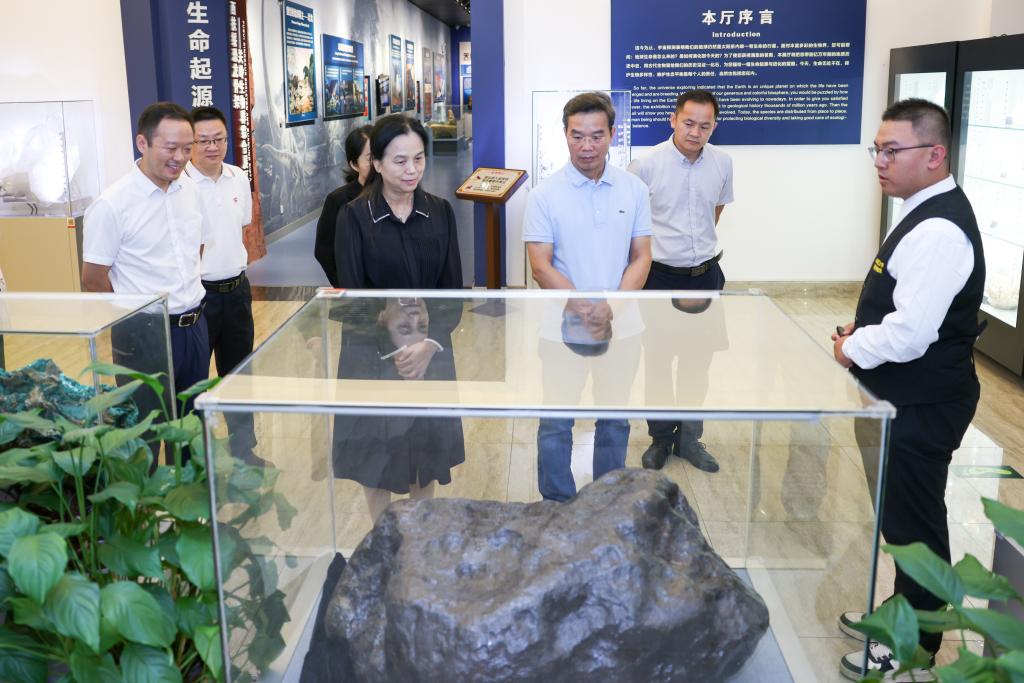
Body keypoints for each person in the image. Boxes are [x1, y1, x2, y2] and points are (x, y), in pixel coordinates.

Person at [832, 99, 985, 681]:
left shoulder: (940, 228)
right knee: (901, 520)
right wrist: (863, 329)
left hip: (922, 403)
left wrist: (852, 348)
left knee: (916, 527)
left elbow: (911, 333)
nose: (880, 161)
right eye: (877, 149)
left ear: (935, 154)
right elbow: (905, 306)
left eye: (892, 150)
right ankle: (900, 615)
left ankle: (915, 645)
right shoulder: (920, 210)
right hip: (904, 397)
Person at [332, 114, 464, 522]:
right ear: (376, 163)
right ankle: (382, 536)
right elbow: (354, 299)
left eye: (418, 159)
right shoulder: (355, 216)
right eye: (400, 160)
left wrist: (427, 344)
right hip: (372, 356)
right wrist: (396, 349)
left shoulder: (439, 212)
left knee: (425, 448)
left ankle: (419, 536)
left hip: (429, 352)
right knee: (376, 452)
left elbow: (452, 293)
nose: (411, 170)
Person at [523, 91, 652, 502]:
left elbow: (642, 256)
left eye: (596, 136)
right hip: (560, 328)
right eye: (577, 136)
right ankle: (556, 503)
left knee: (614, 418)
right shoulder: (544, 194)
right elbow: (540, 265)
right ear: (565, 134)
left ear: (612, 134)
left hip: (623, 326)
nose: (587, 146)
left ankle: (605, 502)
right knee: (556, 421)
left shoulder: (634, 190)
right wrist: (582, 306)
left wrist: (611, 307)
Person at [82, 102, 211, 430]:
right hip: (143, 334)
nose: (180, 157)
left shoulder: (191, 190)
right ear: (142, 143)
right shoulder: (112, 204)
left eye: (187, 148)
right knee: (145, 432)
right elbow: (93, 279)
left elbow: (195, 249)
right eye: (170, 147)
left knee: (192, 429)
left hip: (195, 326)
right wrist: (133, 317)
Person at [627, 89, 734, 473]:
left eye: (705, 126)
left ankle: (689, 439)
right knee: (658, 361)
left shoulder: (722, 163)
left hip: (704, 277)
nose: (695, 132)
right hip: (658, 278)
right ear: (673, 119)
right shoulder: (645, 165)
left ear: (714, 127)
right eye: (688, 123)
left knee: (697, 363)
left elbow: (714, 212)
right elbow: (631, 225)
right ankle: (660, 438)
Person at [185, 105, 261, 464]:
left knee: (239, 374)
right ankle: (196, 461)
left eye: (219, 139)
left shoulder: (237, 177)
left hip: (237, 291)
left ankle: (243, 453)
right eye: (204, 141)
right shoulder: (180, 185)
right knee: (195, 382)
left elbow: (242, 223)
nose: (212, 147)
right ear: (190, 143)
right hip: (198, 299)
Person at [315, 124, 373, 286]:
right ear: (354, 164)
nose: (377, 163)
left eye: (381, 155)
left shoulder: (395, 195)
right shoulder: (338, 200)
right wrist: (344, 284)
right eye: (370, 159)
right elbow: (324, 250)